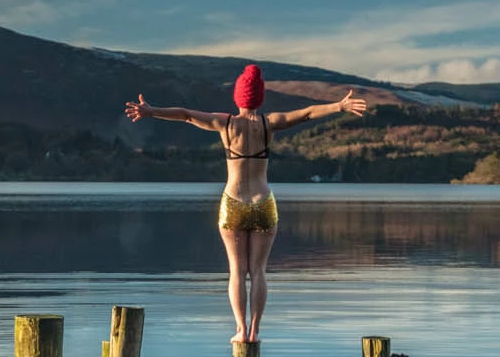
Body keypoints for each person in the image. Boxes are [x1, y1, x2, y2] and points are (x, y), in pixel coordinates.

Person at [125, 65, 368, 343]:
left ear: (238, 97)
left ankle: (240, 329)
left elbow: (186, 114)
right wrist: (339, 105)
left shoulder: (225, 123)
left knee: (237, 272)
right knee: (259, 271)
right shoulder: (269, 123)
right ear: (260, 97)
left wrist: (151, 111)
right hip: (263, 203)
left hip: (233, 203)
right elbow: (308, 113)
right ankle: (255, 331)